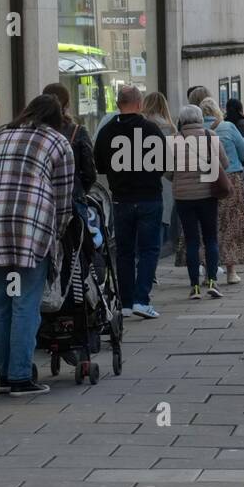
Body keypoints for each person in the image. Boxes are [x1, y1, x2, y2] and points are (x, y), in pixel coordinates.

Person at [0, 94, 75, 395]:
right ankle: (19, 376)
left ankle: (4, 375)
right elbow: (63, 196)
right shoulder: (57, 142)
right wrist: (56, 233)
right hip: (31, 232)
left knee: (2, 303)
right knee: (25, 304)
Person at [94, 85, 167, 318]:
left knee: (124, 252)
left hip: (121, 199)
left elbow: (100, 165)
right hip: (149, 197)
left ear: (118, 104)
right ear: (139, 104)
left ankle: (125, 303)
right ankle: (141, 299)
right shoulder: (151, 129)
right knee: (148, 250)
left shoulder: (107, 132)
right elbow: (164, 164)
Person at [169, 105, 228, 297]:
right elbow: (224, 164)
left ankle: (194, 286)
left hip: (184, 198)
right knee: (211, 238)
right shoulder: (210, 136)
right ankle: (212, 281)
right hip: (208, 195)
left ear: (182, 120)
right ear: (200, 118)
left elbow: (168, 172)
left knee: (192, 240)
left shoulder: (174, 141)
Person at [200, 96, 244, 282]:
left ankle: (207, 271)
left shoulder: (194, 131)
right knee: (231, 225)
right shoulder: (227, 127)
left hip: (204, 179)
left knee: (207, 225)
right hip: (230, 180)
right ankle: (231, 272)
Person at [43, 83, 97, 198]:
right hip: (72, 197)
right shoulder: (77, 131)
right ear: (67, 105)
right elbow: (90, 174)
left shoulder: (35, 131)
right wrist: (79, 191)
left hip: (42, 197)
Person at [143, 92, 178, 248]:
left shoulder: (141, 125)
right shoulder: (170, 128)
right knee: (161, 225)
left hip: (143, 182)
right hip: (165, 181)